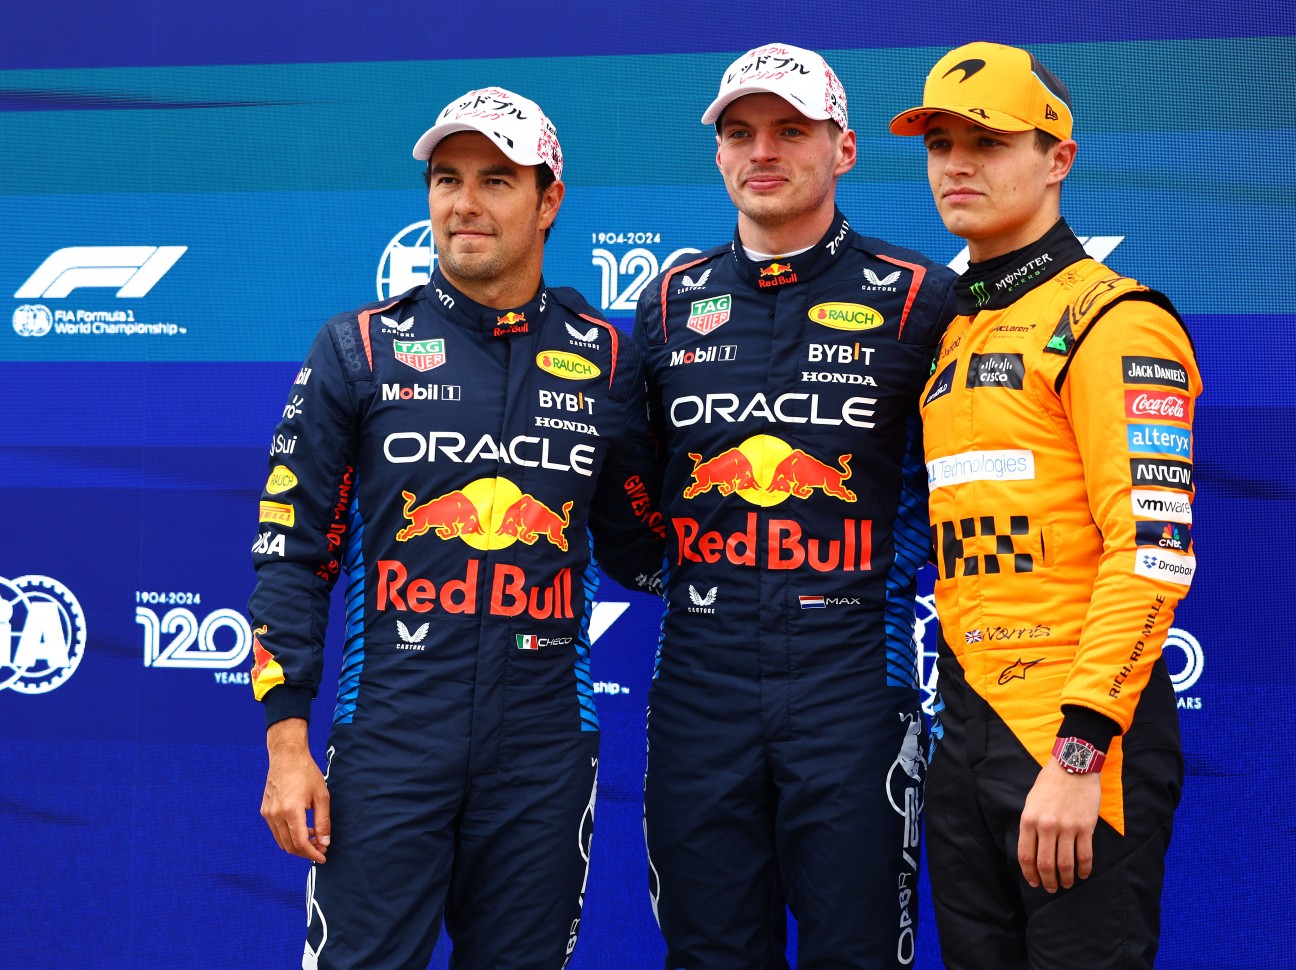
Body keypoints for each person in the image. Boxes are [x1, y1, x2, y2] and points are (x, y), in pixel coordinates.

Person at [249, 86, 664, 970]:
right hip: (391, 738)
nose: (464, 203)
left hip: (546, 749)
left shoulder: (609, 359)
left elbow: (642, 542)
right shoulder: (357, 347)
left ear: (549, 200)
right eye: (446, 178)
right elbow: (291, 551)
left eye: (496, 180)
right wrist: (288, 741)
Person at [631, 42, 958, 969]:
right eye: (740, 133)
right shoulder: (665, 305)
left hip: (853, 675)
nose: (762, 151)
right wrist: (693, 577)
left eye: (790, 130)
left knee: (857, 953)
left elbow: (966, 484)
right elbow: (624, 487)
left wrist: (878, 580)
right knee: (709, 953)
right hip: (700, 681)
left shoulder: (918, 299)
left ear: (843, 149)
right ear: (720, 154)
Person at [888, 42, 1201, 969]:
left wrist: (1079, 755)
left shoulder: (1114, 319)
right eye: (941, 143)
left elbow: (1152, 552)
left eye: (987, 141)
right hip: (968, 727)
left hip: (1076, 743)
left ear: (1057, 158)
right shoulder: (948, 328)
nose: (958, 164)